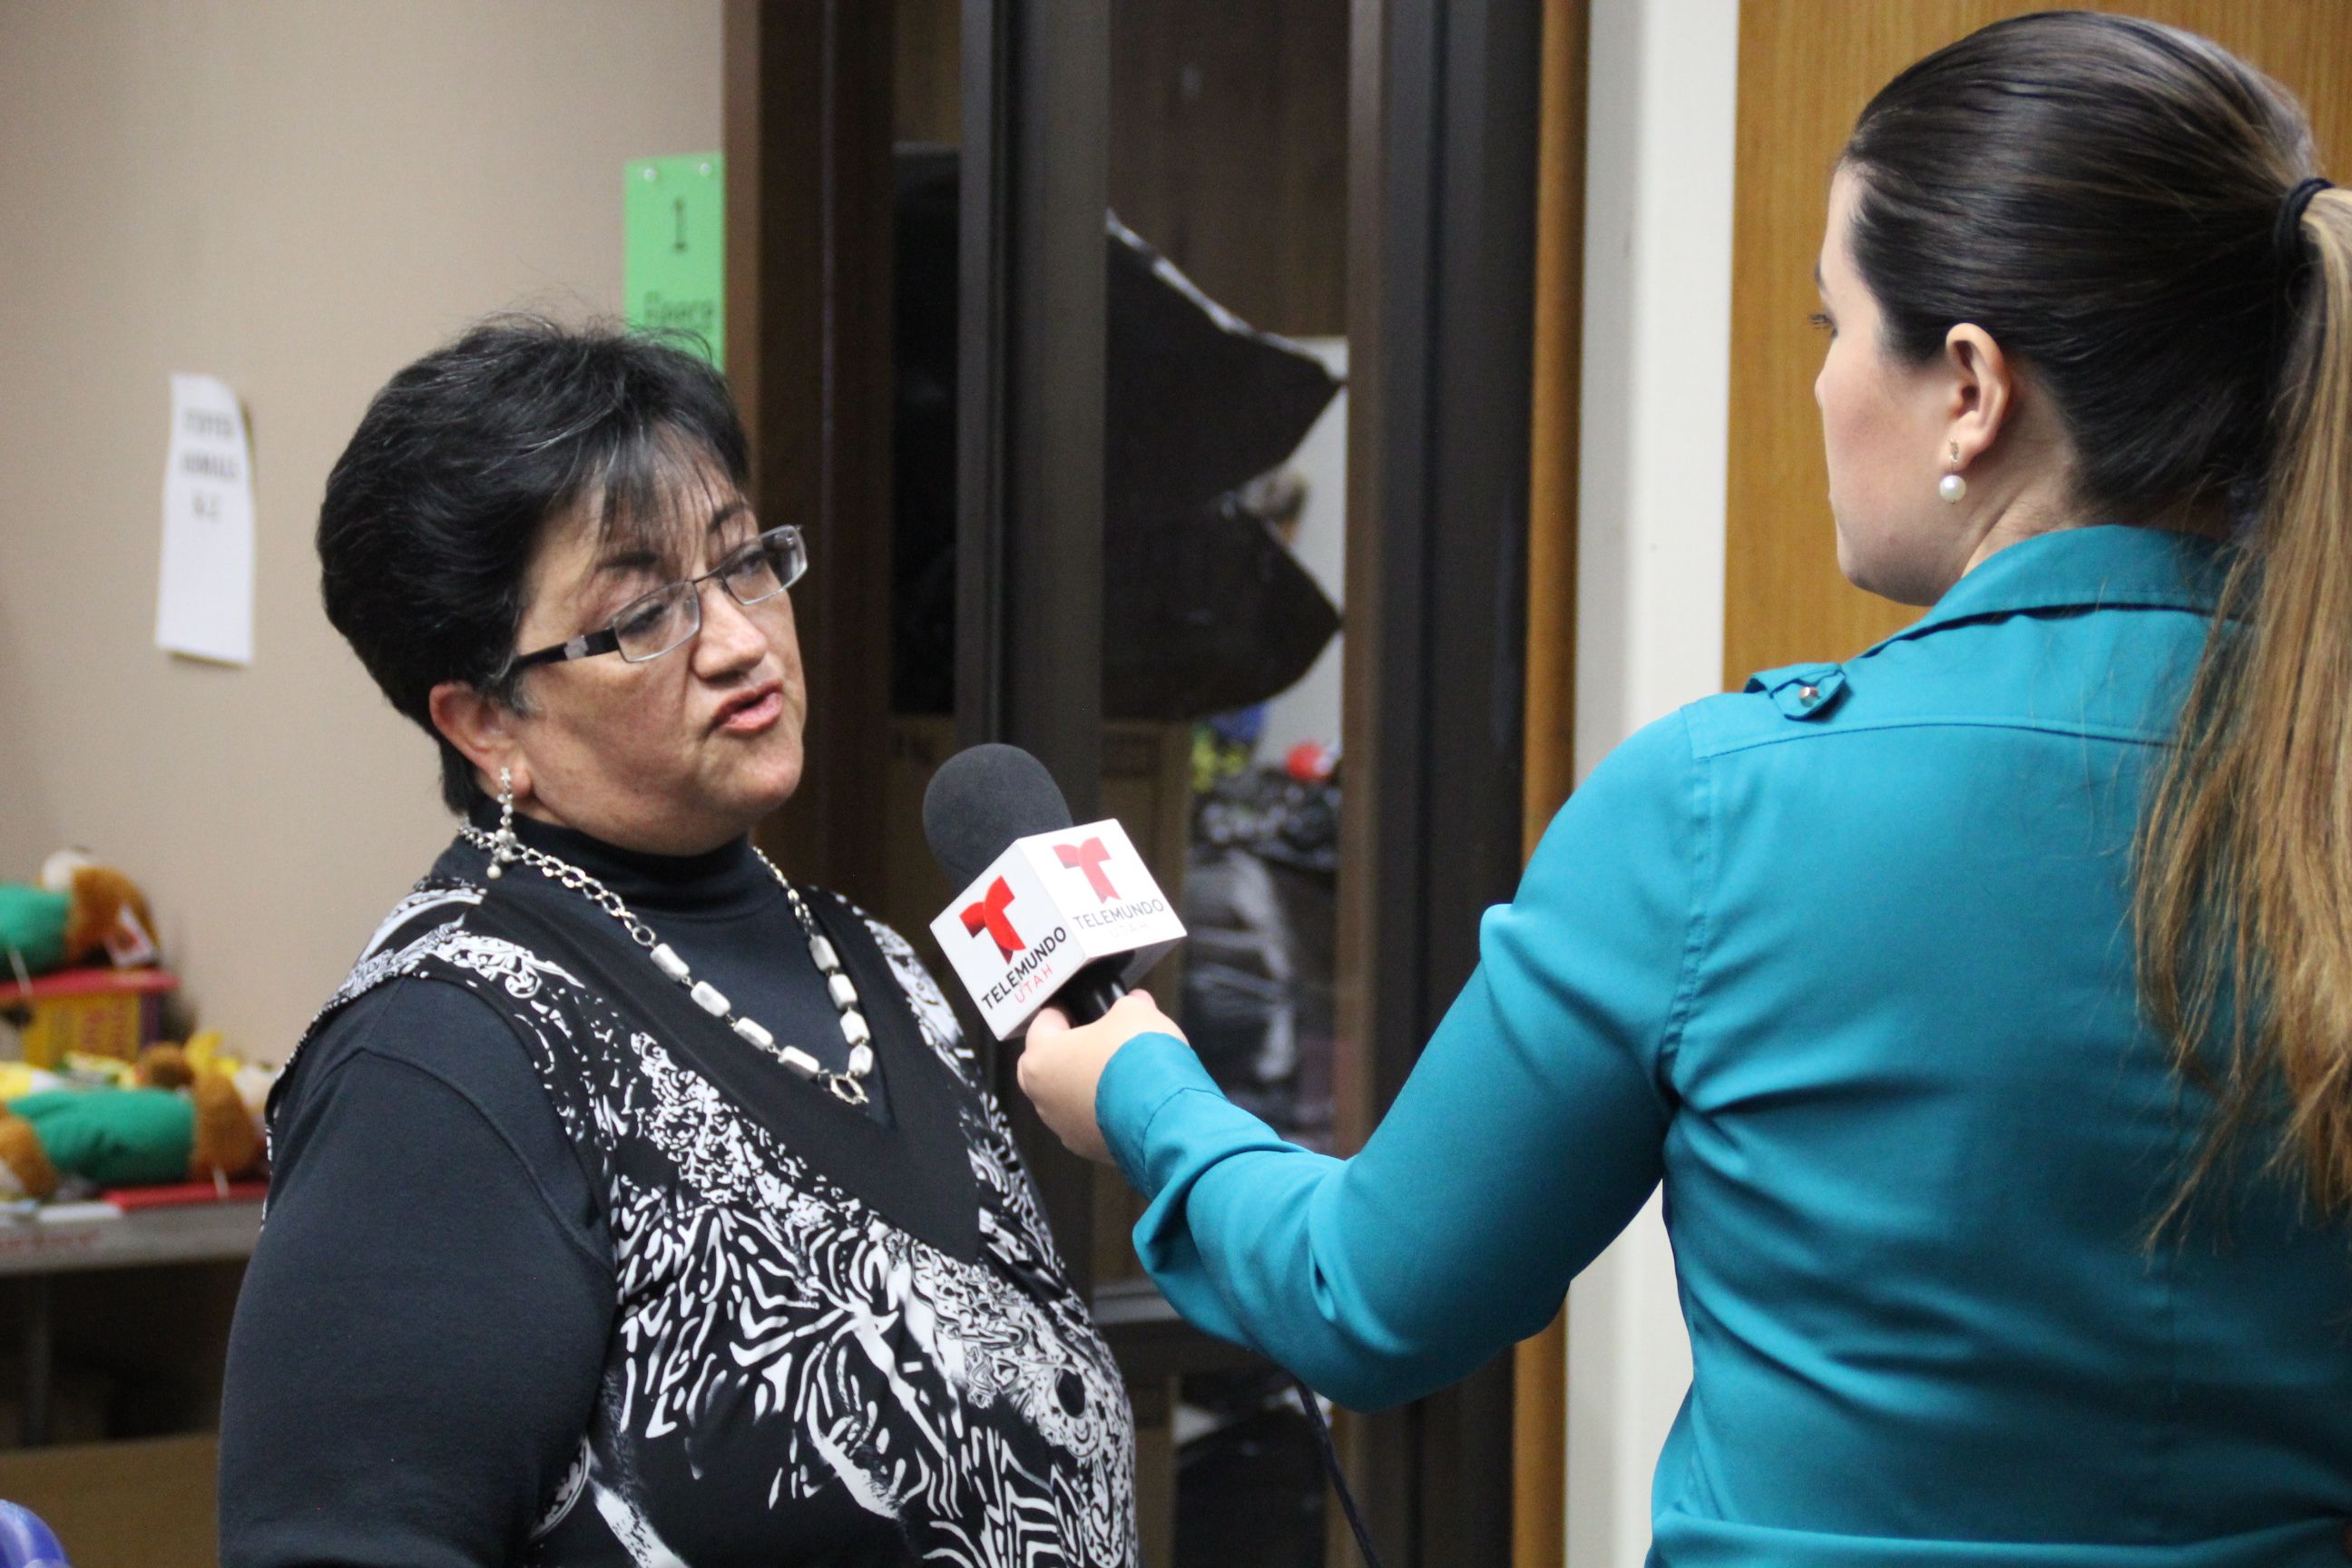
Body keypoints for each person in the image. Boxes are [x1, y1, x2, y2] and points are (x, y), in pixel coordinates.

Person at [1018, 14, 2352, 1565]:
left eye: (1829, 324)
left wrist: (1141, 1094)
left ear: (1971, 391)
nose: (1825, 382)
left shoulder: (1726, 810)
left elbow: (1370, 1299)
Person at [220, 320, 1137, 1567]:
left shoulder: (884, 972)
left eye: (745, 561)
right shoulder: (440, 1057)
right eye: (643, 614)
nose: (742, 641)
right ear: (486, 716)